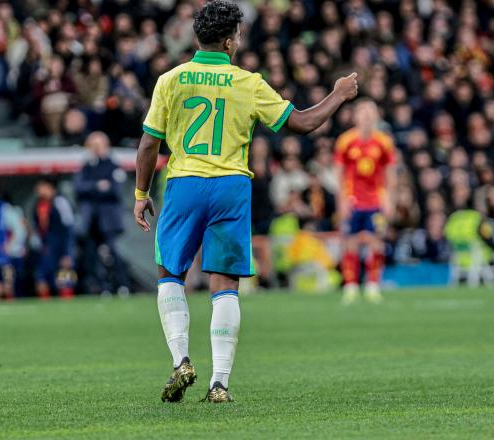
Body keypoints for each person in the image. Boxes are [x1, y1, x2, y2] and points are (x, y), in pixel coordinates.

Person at [134, 0, 358, 403]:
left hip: (184, 183)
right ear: (227, 40)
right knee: (225, 285)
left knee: (170, 275)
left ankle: (181, 359)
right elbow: (304, 123)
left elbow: (150, 142)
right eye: (237, 34)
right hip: (231, 186)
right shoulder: (248, 83)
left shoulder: (171, 79)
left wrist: (140, 194)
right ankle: (219, 383)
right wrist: (339, 94)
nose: (239, 40)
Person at [334, 99, 396, 304]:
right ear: (355, 116)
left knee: (376, 242)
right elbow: (339, 175)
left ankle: (372, 285)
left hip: (376, 200)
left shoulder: (384, 142)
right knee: (350, 242)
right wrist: (341, 201)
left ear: (377, 116)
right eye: (363, 112)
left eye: (371, 112)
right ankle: (351, 286)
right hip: (352, 200)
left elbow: (390, 174)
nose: (367, 116)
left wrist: (389, 200)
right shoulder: (345, 141)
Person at [73, 131, 132, 294]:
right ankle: (102, 286)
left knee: (115, 253)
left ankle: (123, 285)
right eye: (92, 146)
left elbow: (115, 190)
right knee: (93, 256)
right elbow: (78, 189)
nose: (95, 149)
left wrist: (92, 189)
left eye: (98, 145)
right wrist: (97, 186)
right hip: (91, 220)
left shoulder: (113, 165)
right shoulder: (86, 167)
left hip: (109, 220)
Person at [31, 178, 76, 299]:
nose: (38, 190)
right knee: (40, 276)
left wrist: (68, 253)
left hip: (61, 245)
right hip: (46, 247)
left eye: (40, 187)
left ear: (49, 187)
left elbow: (69, 227)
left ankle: (67, 305)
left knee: (64, 276)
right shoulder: (38, 204)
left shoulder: (60, 202)